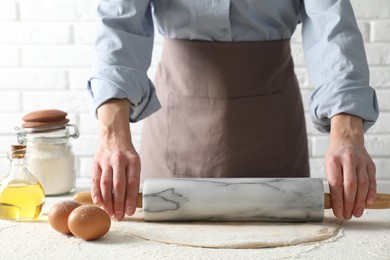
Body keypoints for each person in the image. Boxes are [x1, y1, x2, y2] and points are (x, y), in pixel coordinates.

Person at [87, 0, 379, 221]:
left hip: (272, 130)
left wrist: (347, 133)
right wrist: (113, 134)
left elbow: (331, 25)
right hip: (174, 129)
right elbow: (119, 25)